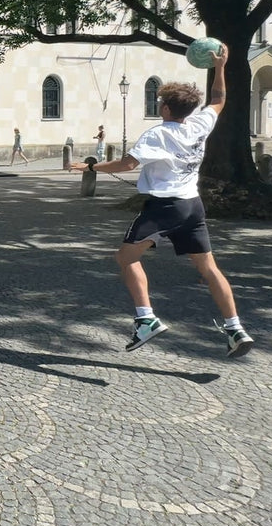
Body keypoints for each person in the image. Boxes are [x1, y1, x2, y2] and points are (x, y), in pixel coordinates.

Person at [70, 44, 253, 358]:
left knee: (126, 258)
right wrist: (220, 66)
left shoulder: (156, 134)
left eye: (160, 102)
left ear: (168, 108)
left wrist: (91, 166)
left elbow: (129, 164)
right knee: (209, 269)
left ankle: (146, 319)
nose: (159, 106)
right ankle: (235, 328)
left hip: (165, 207)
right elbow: (219, 99)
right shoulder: (199, 125)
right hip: (193, 206)